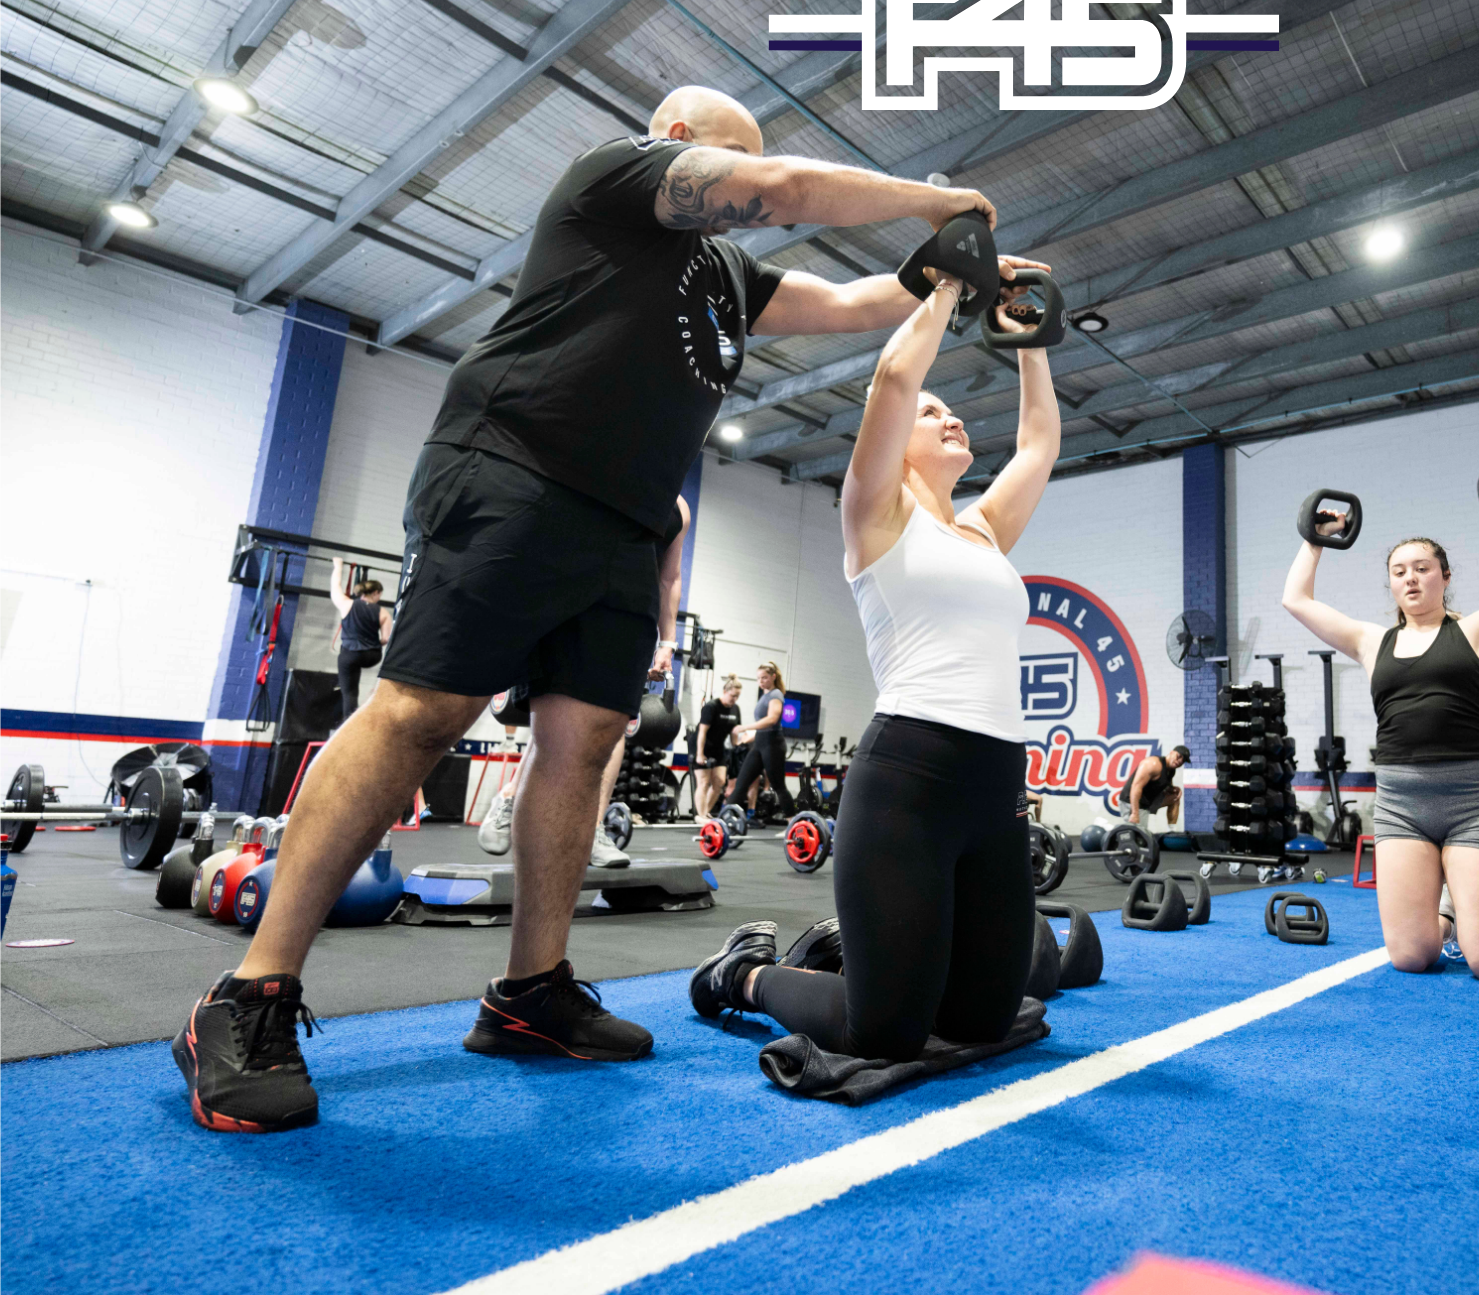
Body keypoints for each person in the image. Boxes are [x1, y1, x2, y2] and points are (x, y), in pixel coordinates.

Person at [174, 83, 1032, 1134]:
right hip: (514, 466)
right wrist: (928, 196)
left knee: (581, 746)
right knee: (419, 712)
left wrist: (961, 273)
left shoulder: (730, 277)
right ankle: (250, 994)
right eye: (724, 160)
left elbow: (859, 306)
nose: (733, 189)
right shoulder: (615, 178)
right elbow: (776, 189)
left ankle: (531, 992)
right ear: (675, 146)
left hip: (628, 523)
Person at [689, 261, 1060, 1066]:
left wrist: (1030, 336)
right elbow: (895, 372)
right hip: (909, 784)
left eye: (955, 412)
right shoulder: (874, 515)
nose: (950, 417)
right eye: (932, 414)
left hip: (997, 789)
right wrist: (954, 286)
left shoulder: (984, 531)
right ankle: (745, 974)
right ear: (896, 442)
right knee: (883, 1031)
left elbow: (1039, 443)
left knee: (982, 1023)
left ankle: (852, 952)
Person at [1280, 482, 1479, 983]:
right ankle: (1448, 914)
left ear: (1445, 576)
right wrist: (1315, 540)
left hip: (1473, 802)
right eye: (1399, 572)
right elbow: (1296, 599)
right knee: (1412, 957)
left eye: (1422, 568)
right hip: (1401, 804)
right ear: (1392, 586)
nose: (1411, 578)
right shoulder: (1370, 641)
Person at [480, 496, 690, 867]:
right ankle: (511, 797)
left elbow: (669, 577)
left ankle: (592, 829)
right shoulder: (607, 465)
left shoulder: (680, 508)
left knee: (615, 723)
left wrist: (668, 641)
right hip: (571, 605)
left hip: (630, 619)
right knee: (557, 716)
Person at [723, 663, 790, 820]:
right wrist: (752, 735)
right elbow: (762, 724)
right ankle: (723, 821)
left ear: (773, 677)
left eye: (765, 677)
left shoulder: (776, 695)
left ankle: (792, 821)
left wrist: (745, 727)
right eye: (759, 678)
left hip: (773, 745)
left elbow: (772, 719)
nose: (761, 681)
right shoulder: (765, 696)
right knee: (741, 783)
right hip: (759, 744)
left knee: (779, 786)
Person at [327, 561, 390, 723]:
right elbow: (386, 639)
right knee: (358, 670)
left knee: (349, 693)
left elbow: (335, 587)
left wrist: (338, 566)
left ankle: (349, 723)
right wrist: (373, 642)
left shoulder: (347, 604)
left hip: (350, 655)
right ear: (375, 593)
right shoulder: (383, 612)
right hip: (372, 656)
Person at [693, 676, 744, 819]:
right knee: (703, 782)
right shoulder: (711, 707)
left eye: (737, 696)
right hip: (702, 745)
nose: (735, 699)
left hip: (718, 747)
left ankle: (704, 813)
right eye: (733, 695)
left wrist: (737, 746)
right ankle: (701, 816)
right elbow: (702, 732)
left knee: (720, 782)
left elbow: (734, 732)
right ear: (724, 691)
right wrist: (699, 754)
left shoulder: (735, 709)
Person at [1120, 745, 1189, 829]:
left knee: (1175, 798)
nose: (1180, 761)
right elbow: (1135, 787)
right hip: (1132, 801)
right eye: (1179, 756)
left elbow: (1164, 787)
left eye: (1183, 760)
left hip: (1148, 801)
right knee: (1140, 835)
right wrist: (1135, 813)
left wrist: (1173, 789)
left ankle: (1172, 831)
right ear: (1171, 753)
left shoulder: (1171, 770)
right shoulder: (1153, 764)